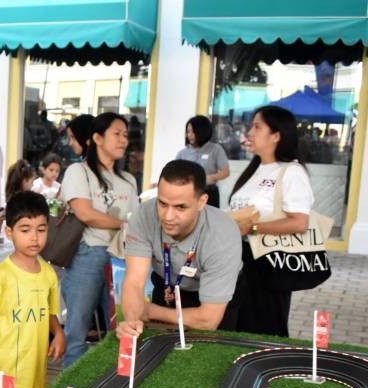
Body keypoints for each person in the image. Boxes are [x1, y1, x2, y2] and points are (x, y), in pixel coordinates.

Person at [116, 160, 242, 339]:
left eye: (180, 207)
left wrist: (149, 311)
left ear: (201, 202)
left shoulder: (222, 234)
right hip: (167, 288)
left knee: (210, 356)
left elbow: (208, 320)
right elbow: (134, 282)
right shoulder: (143, 215)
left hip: (214, 295)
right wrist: (131, 321)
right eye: (162, 203)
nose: (168, 216)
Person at [225, 106, 313, 337]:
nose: (250, 132)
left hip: (269, 263)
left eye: (257, 126)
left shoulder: (291, 172)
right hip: (239, 259)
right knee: (236, 325)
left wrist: (252, 228)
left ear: (276, 135)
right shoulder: (255, 169)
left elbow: (299, 223)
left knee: (263, 328)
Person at [0, 191, 64, 388]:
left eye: (41, 230)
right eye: (25, 230)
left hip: (35, 378)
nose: (34, 237)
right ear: (9, 232)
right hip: (3, 378)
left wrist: (58, 333)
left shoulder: (49, 273)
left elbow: (49, 313)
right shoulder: (0, 275)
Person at [60, 112, 138, 367]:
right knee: (77, 331)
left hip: (122, 259)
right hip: (88, 255)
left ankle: (114, 387)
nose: (123, 140)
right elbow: (85, 214)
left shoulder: (128, 180)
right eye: (116, 134)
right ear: (97, 138)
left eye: (125, 135)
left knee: (122, 326)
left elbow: (135, 220)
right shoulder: (78, 172)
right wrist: (123, 223)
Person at [176, 115, 230, 208]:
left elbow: (226, 172)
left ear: (202, 131)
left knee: (210, 220)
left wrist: (212, 178)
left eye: (193, 131)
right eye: (188, 132)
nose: (190, 135)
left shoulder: (215, 149)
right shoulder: (182, 153)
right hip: (188, 193)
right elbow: (174, 174)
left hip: (209, 193)